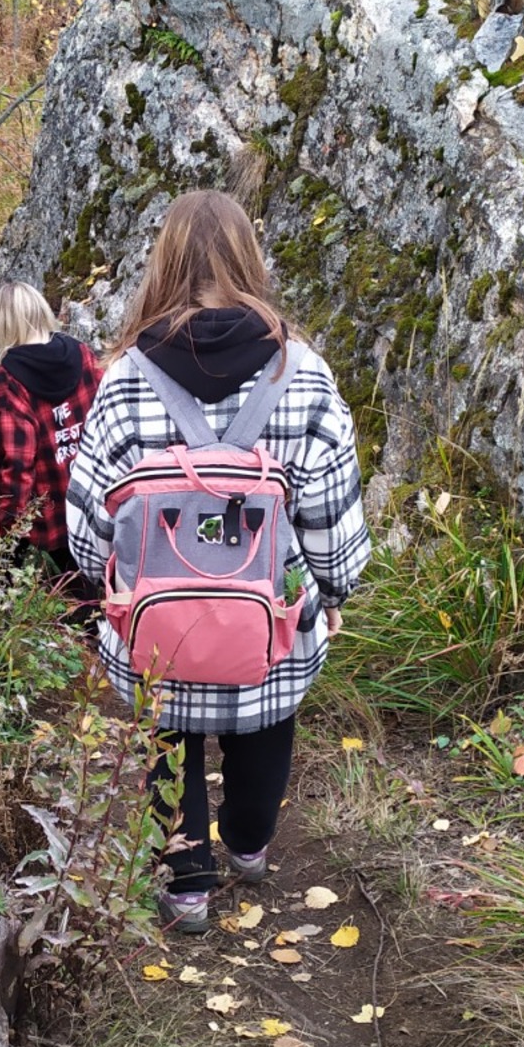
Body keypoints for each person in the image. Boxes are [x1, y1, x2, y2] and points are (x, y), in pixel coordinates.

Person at [64, 191, 370, 934]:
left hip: (155, 637)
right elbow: (330, 514)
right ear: (249, 259)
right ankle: (249, 842)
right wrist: (330, 589)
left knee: (166, 733)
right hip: (270, 627)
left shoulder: (126, 380)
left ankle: (188, 884)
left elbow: (86, 532)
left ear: (162, 265)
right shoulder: (303, 375)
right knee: (266, 721)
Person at [0, 281, 102, 589]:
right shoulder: (81, 352)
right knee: (100, 588)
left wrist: (8, 528)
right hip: (95, 495)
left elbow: (17, 459)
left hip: (53, 511)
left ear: (3, 324)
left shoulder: (10, 376)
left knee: (77, 594)